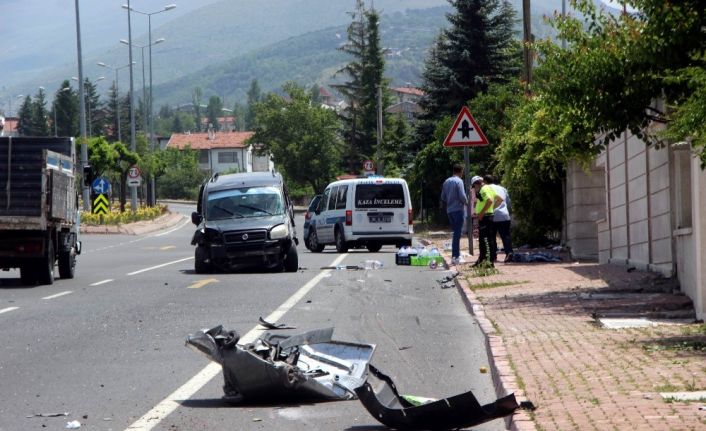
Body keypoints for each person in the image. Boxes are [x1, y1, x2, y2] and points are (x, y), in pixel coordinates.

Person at [471, 175, 502, 266]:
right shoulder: (489, 188)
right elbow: (500, 200)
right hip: (488, 216)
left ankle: (488, 261)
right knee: (486, 239)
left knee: (485, 240)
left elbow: (489, 201)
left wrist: (482, 213)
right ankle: (483, 260)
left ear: (477, 184)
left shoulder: (483, 189)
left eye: (474, 186)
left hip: (485, 218)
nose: (474, 188)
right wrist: (491, 209)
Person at [440, 164, 468, 265]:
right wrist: (466, 202)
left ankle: (456, 254)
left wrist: (450, 200)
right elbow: (462, 195)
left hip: (450, 210)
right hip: (458, 209)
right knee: (457, 233)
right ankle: (455, 256)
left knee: (455, 233)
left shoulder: (446, 181)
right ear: (460, 171)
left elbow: (443, 197)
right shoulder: (459, 181)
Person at [484, 175, 513, 262]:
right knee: (506, 236)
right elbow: (508, 203)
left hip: (491, 216)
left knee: (491, 237)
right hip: (504, 215)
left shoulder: (485, 189)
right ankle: (509, 253)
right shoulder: (503, 189)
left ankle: (493, 255)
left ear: (485, 181)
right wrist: (508, 212)